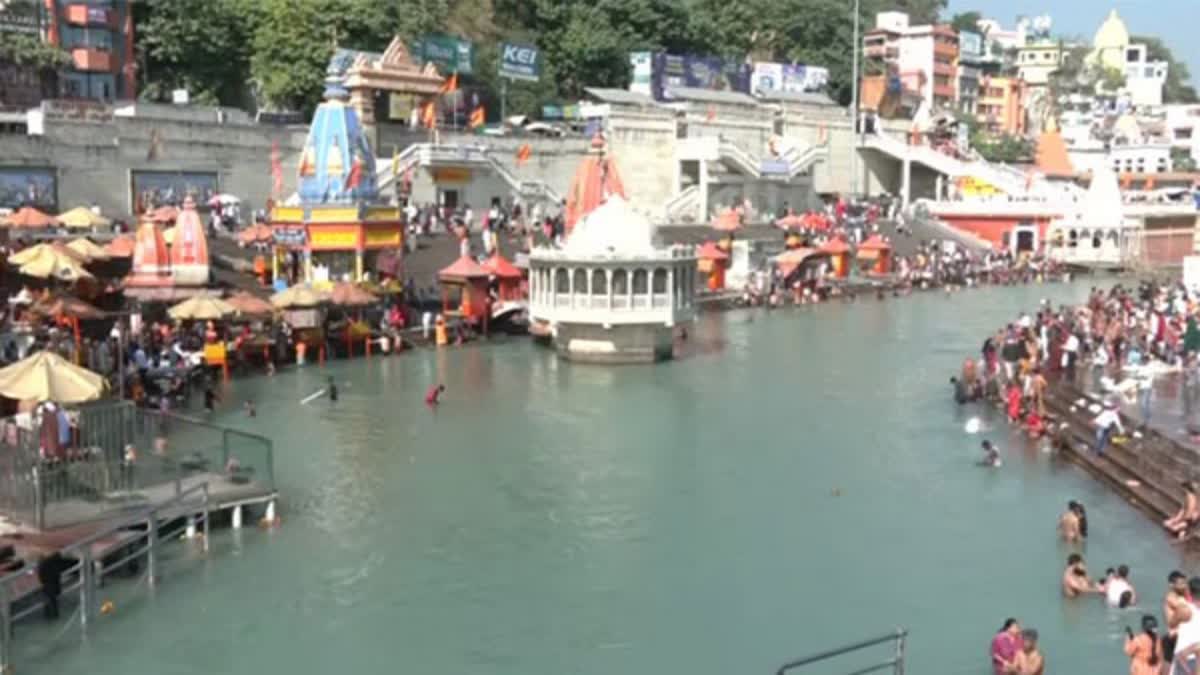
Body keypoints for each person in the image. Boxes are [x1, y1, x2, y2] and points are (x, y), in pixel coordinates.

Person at [36, 551, 72, 620]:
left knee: (49, 599)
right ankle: (53, 613)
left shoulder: (45, 564)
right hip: (51, 583)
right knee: (52, 599)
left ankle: (50, 613)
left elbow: (41, 576)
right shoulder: (50, 563)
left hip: (48, 583)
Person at [1164, 571, 1190, 666]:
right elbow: (1186, 609)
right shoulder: (1171, 597)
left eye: (1185, 583)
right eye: (1182, 583)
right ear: (1172, 585)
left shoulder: (1183, 596)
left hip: (1184, 636)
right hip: (1174, 636)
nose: (1185, 586)